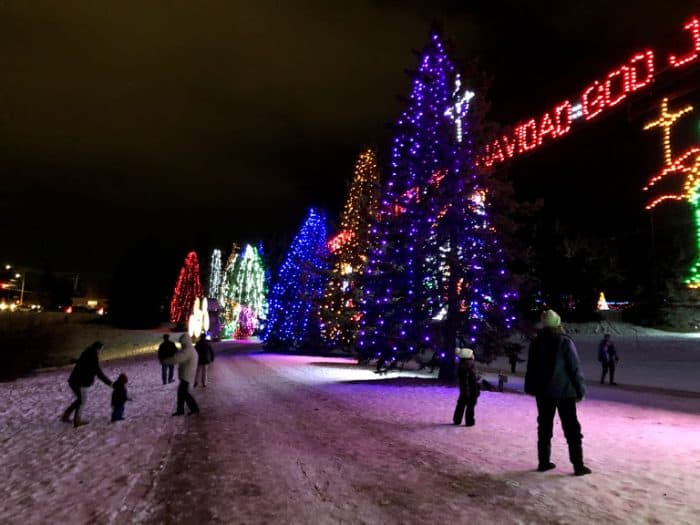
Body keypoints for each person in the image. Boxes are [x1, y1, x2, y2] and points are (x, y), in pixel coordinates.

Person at [524, 310, 591, 476]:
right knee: (571, 428)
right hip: (564, 391)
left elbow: (531, 368)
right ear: (558, 323)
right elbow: (574, 368)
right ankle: (578, 465)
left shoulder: (536, 342)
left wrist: (530, 387)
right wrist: (580, 389)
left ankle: (543, 462)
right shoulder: (564, 341)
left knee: (544, 427)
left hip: (543, 392)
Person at [61, 341, 113, 427]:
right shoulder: (92, 357)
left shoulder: (87, 353)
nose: (100, 352)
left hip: (76, 381)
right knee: (81, 400)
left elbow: (82, 363)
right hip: (79, 382)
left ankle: (66, 416)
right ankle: (77, 420)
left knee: (80, 399)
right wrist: (110, 383)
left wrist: (75, 360)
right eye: (100, 350)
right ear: (97, 348)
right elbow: (99, 373)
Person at [163, 333, 200, 416]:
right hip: (187, 374)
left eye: (181, 343)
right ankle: (181, 410)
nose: (181, 345)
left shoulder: (187, 351)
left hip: (187, 375)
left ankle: (193, 409)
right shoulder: (191, 349)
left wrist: (165, 361)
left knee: (184, 393)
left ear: (184, 342)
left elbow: (176, 358)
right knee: (182, 393)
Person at [452, 347, 480, 426]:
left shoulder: (462, 364)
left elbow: (465, 379)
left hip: (464, 389)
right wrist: (477, 377)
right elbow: (471, 378)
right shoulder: (470, 364)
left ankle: (457, 419)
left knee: (461, 404)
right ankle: (469, 422)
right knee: (470, 406)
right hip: (471, 389)